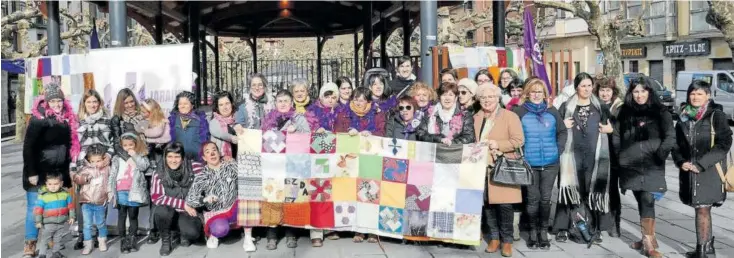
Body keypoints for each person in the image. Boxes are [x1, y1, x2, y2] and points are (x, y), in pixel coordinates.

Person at [612, 77, 675, 258]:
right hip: (630, 165)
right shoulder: (625, 111)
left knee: (648, 199)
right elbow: (617, 135)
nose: (640, 95)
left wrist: (660, 154)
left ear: (649, 92)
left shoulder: (661, 112)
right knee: (640, 199)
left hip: (652, 164)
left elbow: (670, 136)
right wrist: (620, 155)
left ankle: (649, 244)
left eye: (643, 91)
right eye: (636, 91)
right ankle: (646, 237)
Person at [672, 80, 732, 258]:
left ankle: (704, 251)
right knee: (699, 208)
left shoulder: (716, 115)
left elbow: (724, 143)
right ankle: (705, 248)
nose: (695, 97)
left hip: (709, 170)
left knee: (703, 208)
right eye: (692, 93)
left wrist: (701, 164)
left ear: (708, 96)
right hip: (689, 171)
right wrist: (680, 161)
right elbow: (675, 144)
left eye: (699, 93)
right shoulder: (683, 116)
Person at [555, 73, 614, 244]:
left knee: (593, 190)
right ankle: (563, 228)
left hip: (594, 157)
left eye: (589, 86)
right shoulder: (566, 107)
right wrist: (563, 126)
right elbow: (557, 128)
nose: (587, 89)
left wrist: (611, 130)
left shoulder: (600, 107)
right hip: (571, 156)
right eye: (583, 86)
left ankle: (595, 227)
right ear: (576, 88)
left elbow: (613, 127)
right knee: (568, 191)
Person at [23, 83, 80, 257]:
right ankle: (30, 244)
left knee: (54, 206)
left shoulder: (67, 118)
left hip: (57, 172)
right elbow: (28, 147)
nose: (57, 104)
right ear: (47, 102)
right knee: (35, 207)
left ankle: (50, 242)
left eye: (59, 100)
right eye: (53, 101)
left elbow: (69, 146)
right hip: (38, 172)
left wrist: (68, 171)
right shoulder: (38, 119)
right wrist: (32, 172)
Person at [513, 77, 566, 250]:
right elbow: (515, 135)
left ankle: (543, 231)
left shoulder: (552, 111)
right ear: (527, 93)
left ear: (545, 94)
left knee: (545, 198)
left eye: (540, 92)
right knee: (532, 199)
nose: (536, 95)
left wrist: (558, 150)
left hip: (551, 163)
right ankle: (533, 231)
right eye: (533, 91)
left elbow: (562, 132)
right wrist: (521, 155)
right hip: (530, 163)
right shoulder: (520, 111)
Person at [474, 83, 524, 257]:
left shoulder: (509, 116)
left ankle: (507, 241)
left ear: (498, 98)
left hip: (502, 166)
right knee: (487, 204)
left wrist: (499, 145)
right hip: (482, 168)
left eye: (491, 97)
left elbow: (518, 140)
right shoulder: (476, 117)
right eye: (483, 97)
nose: (487, 100)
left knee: (505, 206)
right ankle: (494, 238)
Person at [261, 90, 315, 248]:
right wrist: (282, 133)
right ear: (275, 103)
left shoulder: (300, 118)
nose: (283, 104)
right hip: (275, 166)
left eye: (286, 101)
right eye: (280, 101)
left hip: (294, 165)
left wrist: (296, 131)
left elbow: (309, 136)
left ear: (291, 103)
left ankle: (291, 232)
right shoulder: (269, 119)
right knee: (273, 198)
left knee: (293, 198)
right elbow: (263, 138)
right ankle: (272, 234)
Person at [334, 87, 387, 243]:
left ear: (368, 101)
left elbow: (382, 132)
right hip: (351, 160)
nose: (358, 102)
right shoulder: (344, 113)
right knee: (353, 193)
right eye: (356, 99)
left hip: (371, 159)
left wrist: (371, 134)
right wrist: (348, 132)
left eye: (362, 99)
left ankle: (370, 230)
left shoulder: (377, 113)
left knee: (370, 191)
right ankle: (357, 229)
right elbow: (338, 131)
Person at [72, 89, 112, 250]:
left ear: (99, 103)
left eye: (95, 101)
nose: (92, 105)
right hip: (83, 164)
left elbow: (113, 142)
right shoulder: (77, 121)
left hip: (102, 163)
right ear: (84, 104)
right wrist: (73, 168)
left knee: (101, 195)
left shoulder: (106, 119)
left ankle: (99, 235)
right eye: (89, 102)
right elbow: (73, 146)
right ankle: (84, 233)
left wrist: (108, 157)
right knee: (83, 198)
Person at [151, 142, 204, 256]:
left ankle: (181, 234)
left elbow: (202, 188)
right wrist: (183, 204)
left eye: (177, 156)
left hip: (188, 212)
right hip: (170, 210)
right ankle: (166, 240)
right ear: (165, 157)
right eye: (170, 156)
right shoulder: (159, 173)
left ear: (182, 157)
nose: (173, 160)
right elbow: (157, 197)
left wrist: (191, 203)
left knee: (193, 233)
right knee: (161, 211)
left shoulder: (195, 167)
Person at [185, 142, 239, 250]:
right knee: (220, 229)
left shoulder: (231, 167)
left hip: (234, 208)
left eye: (214, 150)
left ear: (219, 153)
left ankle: (248, 236)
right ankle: (214, 236)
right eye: (208, 152)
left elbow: (247, 178)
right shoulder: (202, 176)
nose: (212, 154)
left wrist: (232, 161)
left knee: (251, 206)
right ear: (204, 158)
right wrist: (205, 199)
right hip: (216, 213)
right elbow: (190, 199)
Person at [109, 133, 150, 253]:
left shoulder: (141, 156)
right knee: (121, 216)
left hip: (134, 190)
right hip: (120, 190)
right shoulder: (117, 158)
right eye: (125, 145)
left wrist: (135, 155)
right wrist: (110, 190)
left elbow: (143, 167)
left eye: (131, 145)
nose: (128, 147)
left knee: (133, 216)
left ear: (136, 145)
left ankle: (132, 239)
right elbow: (112, 175)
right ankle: (123, 240)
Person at [593, 75, 623, 238]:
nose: (605, 94)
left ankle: (614, 223)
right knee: (596, 188)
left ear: (613, 92)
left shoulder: (619, 108)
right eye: (602, 90)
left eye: (608, 90)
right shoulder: (594, 105)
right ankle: (598, 222)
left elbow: (625, 131)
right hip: (597, 153)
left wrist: (612, 131)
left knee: (612, 190)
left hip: (613, 155)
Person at [138, 98, 171, 244]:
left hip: (161, 163)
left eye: (145, 111)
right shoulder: (144, 123)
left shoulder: (163, 121)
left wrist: (145, 134)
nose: (143, 114)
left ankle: (162, 229)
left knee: (162, 196)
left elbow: (164, 137)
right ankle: (153, 229)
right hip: (148, 166)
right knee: (153, 198)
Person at [71, 144, 111, 254]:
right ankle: (88, 244)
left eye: (98, 161)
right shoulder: (85, 169)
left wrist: (110, 194)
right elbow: (76, 178)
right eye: (93, 161)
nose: (95, 164)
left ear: (103, 159)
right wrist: (85, 178)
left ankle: (102, 241)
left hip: (100, 202)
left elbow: (110, 182)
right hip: (86, 202)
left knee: (101, 223)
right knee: (87, 224)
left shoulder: (106, 169)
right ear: (89, 160)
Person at [34, 173, 75, 258]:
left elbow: (71, 206)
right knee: (45, 240)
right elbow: (38, 210)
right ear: (46, 184)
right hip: (48, 223)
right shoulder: (43, 196)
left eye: (56, 184)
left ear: (61, 183)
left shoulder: (65, 194)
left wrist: (71, 216)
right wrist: (38, 221)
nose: (53, 186)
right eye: (50, 184)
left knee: (58, 239)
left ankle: (56, 253)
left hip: (61, 222)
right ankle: (42, 254)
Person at [169, 91, 210, 160]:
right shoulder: (173, 120)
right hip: (179, 159)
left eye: (185, 104)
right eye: (180, 104)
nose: (182, 106)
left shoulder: (200, 120)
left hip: (197, 159)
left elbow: (206, 139)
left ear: (192, 105)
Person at [111, 88, 145, 160]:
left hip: (143, 155)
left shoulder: (143, 115)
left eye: (132, 101)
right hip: (127, 157)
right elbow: (117, 144)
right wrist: (128, 159)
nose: (130, 105)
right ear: (120, 104)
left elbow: (148, 139)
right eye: (126, 103)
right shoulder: (117, 119)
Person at [209, 91, 238, 159]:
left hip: (239, 161)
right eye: (221, 105)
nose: (225, 107)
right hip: (221, 160)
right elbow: (219, 133)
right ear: (217, 107)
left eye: (227, 103)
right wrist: (232, 138)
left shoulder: (238, 119)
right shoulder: (214, 122)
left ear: (231, 104)